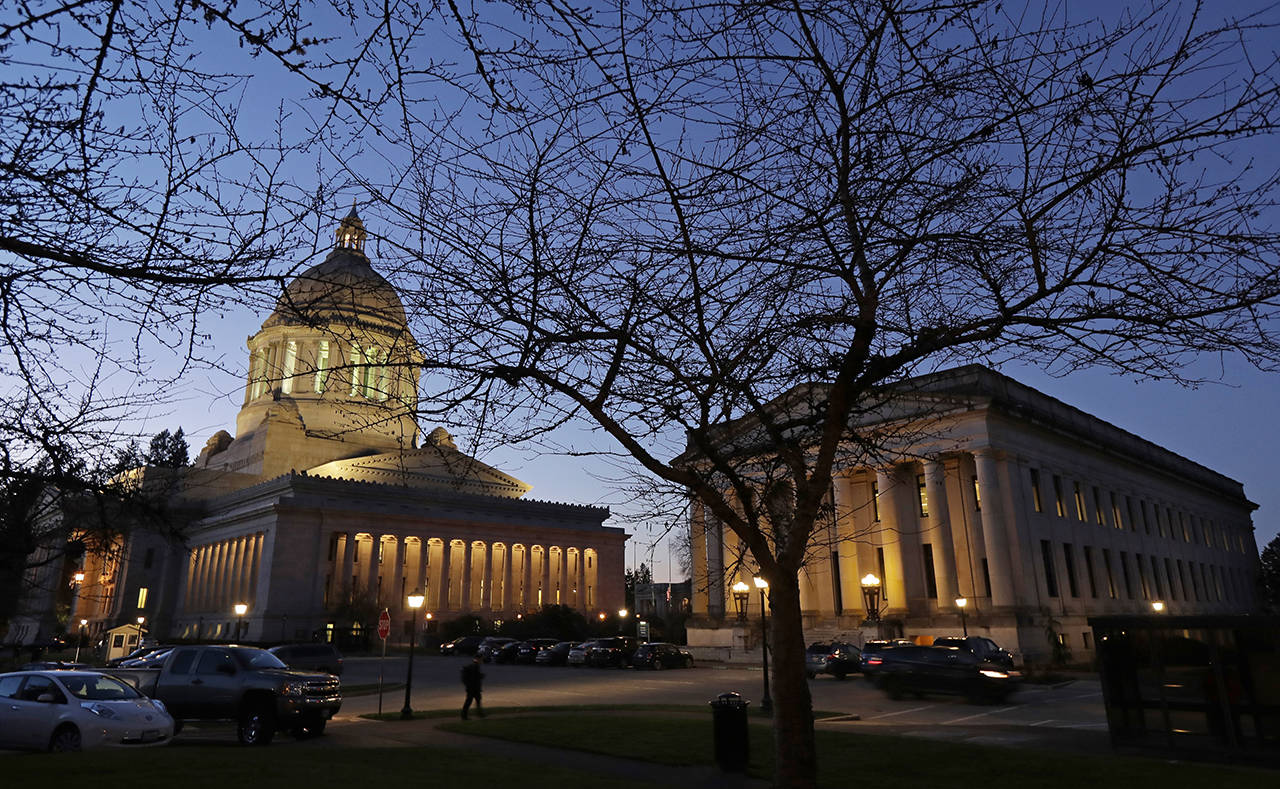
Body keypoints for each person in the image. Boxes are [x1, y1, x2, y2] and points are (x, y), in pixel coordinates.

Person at [461, 655, 485, 719]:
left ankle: (479, 713)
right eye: (481, 660)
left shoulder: (473, 666)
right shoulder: (475, 666)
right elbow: (475, 678)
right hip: (473, 688)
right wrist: (481, 676)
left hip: (472, 688)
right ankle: (464, 715)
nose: (482, 661)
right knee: (470, 701)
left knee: (476, 700)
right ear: (478, 659)